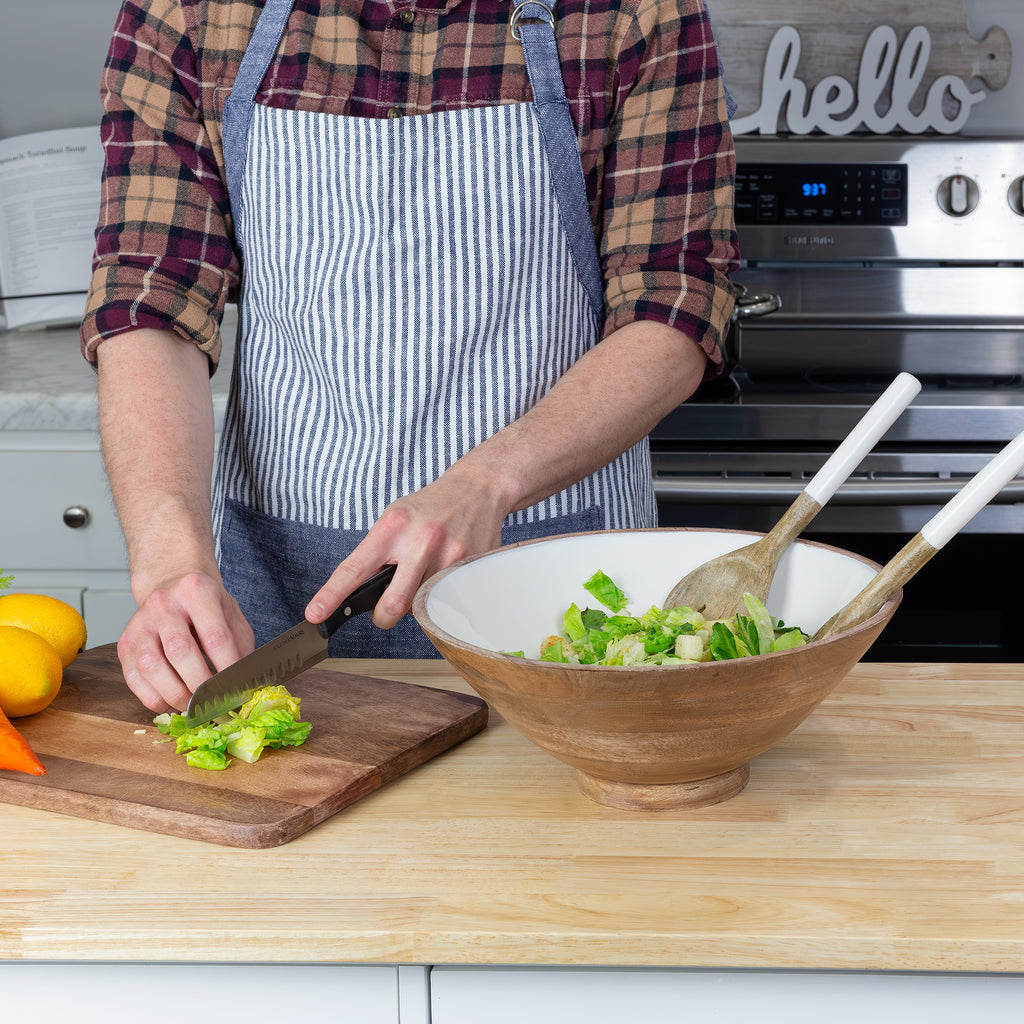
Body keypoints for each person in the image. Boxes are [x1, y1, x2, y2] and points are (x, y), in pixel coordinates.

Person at [83, 0, 739, 713]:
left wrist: (490, 481)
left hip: (557, 584)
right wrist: (171, 563)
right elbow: (150, 301)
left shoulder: (634, 12)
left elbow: (674, 307)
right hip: (274, 592)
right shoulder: (191, 11)